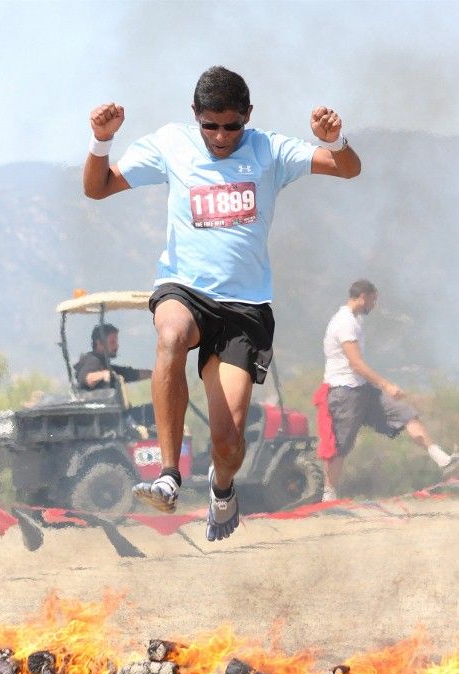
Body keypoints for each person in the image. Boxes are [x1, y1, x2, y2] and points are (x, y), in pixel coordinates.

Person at [83, 65, 361, 541]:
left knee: (227, 439)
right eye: (210, 125)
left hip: (244, 310)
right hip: (184, 289)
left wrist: (335, 141)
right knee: (170, 334)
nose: (220, 135)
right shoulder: (172, 144)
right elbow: (98, 186)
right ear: (196, 116)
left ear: (247, 116)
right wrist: (101, 141)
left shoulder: (270, 149)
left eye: (231, 125)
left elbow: (348, 169)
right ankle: (168, 474)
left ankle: (222, 486)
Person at [315, 279, 458, 501]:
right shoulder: (344, 322)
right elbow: (356, 363)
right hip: (344, 392)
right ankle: (329, 494)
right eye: (373, 300)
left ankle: (443, 460)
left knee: (405, 413)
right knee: (341, 445)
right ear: (363, 296)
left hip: (363, 390)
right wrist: (386, 385)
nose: (374, 305)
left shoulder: (356, 320)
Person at [74, 323, 152, 390]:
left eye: (116, 342)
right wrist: (103, 375)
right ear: (100, 343)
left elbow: (130, 373)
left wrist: (155, 374)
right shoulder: (92, 360)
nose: (116, 345)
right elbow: (87, 378)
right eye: (112, 342)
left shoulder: (104, 365)